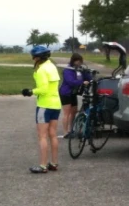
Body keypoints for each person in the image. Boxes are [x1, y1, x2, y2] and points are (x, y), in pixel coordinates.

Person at [22, 45, 61, 173]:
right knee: (53, 134)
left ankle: (43, 165)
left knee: (42, 136)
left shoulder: (41, 70)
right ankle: (54, 163)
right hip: (56, 104)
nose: (33, 59)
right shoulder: (52, 66)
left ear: (38, 57)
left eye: (34, 57)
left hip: (45, 105)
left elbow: (43, 89)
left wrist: (30, 91)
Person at [58, 53, 92, 138]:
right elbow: (70, 81)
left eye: (81, 62)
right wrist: (82, 82)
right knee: (67, 113)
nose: (80, 63)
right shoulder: (68, 70)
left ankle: (71, 129)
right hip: (65, 93)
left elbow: (87, 77)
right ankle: (66, 132)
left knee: (74, 111)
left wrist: (89, 75)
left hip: (73, 93)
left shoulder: (79, 69)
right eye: (79, 61)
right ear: (74, 61)